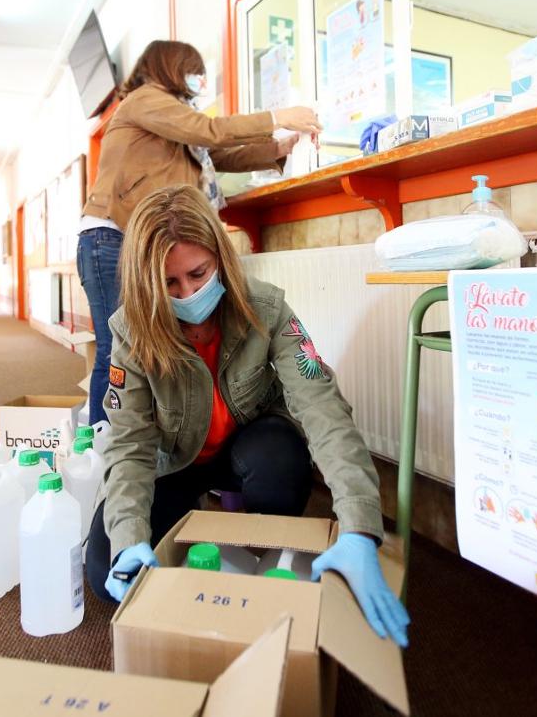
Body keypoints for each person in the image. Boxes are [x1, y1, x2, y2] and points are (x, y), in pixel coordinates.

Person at [85, 185, 409, 648]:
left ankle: (259, 545)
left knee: (281, 460)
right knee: (104, 574)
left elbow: (322, 406)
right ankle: (185, 522)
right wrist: (127, 538)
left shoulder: (268, 308)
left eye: (199, 273)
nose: (189, 293)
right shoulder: (131, 333)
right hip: (172, 461)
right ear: (147, 283)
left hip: (249, 445)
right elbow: (129, 444)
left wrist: (359, 526)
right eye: (170, 284)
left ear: (220, 256)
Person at [78, 39, 321, 428]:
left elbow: (218, 154)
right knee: (117, 351)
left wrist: (279, 147)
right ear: (170, 67)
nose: (200, 79)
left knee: (151, 347)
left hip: (138, 238)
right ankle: (98, 455)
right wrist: (278, 116)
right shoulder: (145, 99)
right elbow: (208, 130)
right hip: (110, 238)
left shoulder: (174, 118)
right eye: (193, 69)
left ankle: (150, 449)